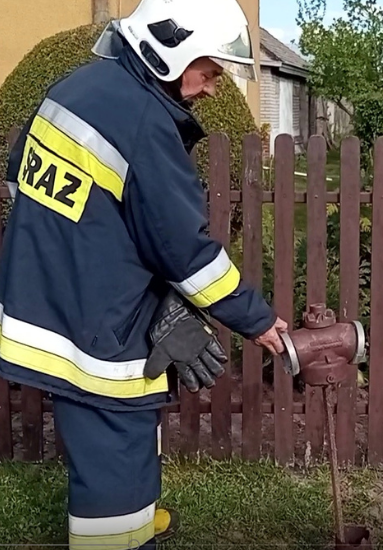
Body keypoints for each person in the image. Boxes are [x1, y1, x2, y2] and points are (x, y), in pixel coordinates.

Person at [0, 0, 288, 547]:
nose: (214, 87)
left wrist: (139, 287)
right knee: (116, 443)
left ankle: (137, 518)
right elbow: (187, 253)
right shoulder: (145, 122)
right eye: (209, 69)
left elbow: (27, 189)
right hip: (94, 331)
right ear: (167, 50)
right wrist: (259, 322)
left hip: (50, 309)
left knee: (132, 426)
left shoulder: (73, 87)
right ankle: (118, 536)